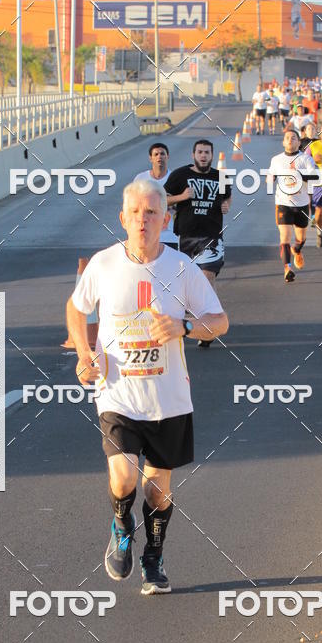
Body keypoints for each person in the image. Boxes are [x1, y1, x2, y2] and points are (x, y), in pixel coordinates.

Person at [66, 179, 229, 594]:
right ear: (123, 219)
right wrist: (86, 356)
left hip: (168, 399)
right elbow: (76, 307)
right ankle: (122, 525)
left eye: (152, 213)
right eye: (136, 213)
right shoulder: (103, 265)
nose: (143, 220)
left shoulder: (181, 268)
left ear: (166, 220)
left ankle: (153, 558)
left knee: (157, 491)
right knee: (122, 479)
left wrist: (186, 326)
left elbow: (220, 319)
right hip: (117, 394)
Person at [164, 140, 231, 347]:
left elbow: (227, 196)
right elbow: (163, 200)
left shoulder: (219, 177)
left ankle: (208, 329)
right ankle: (205, 319)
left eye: (207, 153)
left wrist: (226, 205)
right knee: (192, 284)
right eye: (200, 152)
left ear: (212, 156)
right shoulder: (180, 175)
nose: (203, 156)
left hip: (211, 236)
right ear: (193, 154)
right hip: (186, 237)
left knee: (206, 278)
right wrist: (181, 196)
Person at [267, 129, 317, 283]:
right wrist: (270, 179)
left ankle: (297, 250)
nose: (290, 140)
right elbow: (270, 177)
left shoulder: (306, 159)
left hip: (301, 203)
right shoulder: (276, 160)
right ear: (283, 142)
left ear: (298, 142)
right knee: (285, 237)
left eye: (293, 138)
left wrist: (299, 175)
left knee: (301, 238)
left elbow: (315, 176)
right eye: (287, 138)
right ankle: (287, 268)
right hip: (283, 203)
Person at [134, 142, 178, 249]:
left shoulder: (176, 178)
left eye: (162, 154)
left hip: (169, 235)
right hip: (146, 234)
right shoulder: (140, 179)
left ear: (167, 157)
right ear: (151, 158)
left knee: (169, 266)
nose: (159, 157)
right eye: (156, 154)